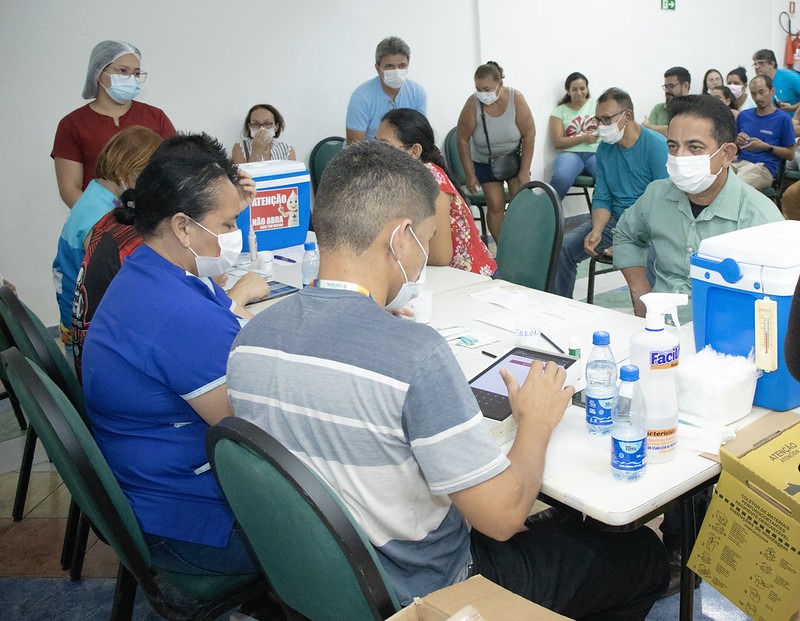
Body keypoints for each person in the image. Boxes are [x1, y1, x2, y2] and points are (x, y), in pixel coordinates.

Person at [227, 141, 668, 619]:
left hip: (323, 580)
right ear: (399, 238)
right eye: (427, 238)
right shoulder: (414, 354)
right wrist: (537, 420)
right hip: (428, 590)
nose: (423, 260)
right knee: (640, 554)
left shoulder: (250, 336)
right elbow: (501, 519)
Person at [81, 146, 269, 576]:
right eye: (227, 224)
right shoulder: (175, 315)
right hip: (192, 522)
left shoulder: (156, 271)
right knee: (357, 526)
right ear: (183, 226)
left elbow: (228, 311)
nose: (232, 234)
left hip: (156, 491)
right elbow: (256, 431)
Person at [71, 132, 264, 381]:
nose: (233, 232)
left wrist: (228, 211)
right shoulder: (146, 249)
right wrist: (241, 291)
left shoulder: (132, 228)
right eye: (228, 224)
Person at [614, 95, 784, 321]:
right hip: (659, 325)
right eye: (673, 146)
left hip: (725, 336)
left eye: (694, 147)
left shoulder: (761, 219)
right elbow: (626, 234)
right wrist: (639, 292)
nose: (679, 157)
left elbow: (780, 299)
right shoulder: (657, 195)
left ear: (727, 155)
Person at [52, 126, 164, 349]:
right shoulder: (101, 218)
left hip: (82, 323)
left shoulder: (95, 194)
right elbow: (122, 284)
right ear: (126, 171)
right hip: (91, 337)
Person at [553, 87, 668, 300]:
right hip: (614, 221)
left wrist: (628, 240)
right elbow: (603, 197)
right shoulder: (605, 149)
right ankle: (561, 308)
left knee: (649, 265)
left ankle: (650, 323)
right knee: (564, 248)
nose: (601, 126)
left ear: (628, 116)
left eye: (607, 119)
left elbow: (663, 204)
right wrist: (597, 230)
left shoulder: (656, 146)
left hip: (651, 226)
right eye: (598, 120)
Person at [51, 40, 176, 208]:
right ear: (98, 72)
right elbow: (69, 189)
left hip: (150, 220)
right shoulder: (73, 124)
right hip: (97, 222)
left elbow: (175, 170)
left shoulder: (155, 117)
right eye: (123, 71)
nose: (131, 78)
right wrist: (105, 221)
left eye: (136, 73)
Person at [376, 109, 496, 275]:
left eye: (385, 146)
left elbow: (440, 257)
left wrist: (391, 252)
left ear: (415, 151)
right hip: (443, 277)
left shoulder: (431, 180)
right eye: (376, 144)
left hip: (471, 280)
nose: (377, 153)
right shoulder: (401, 181)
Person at [456, 61, 535, 243]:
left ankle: (521, 244)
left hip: (513, 160)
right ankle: (503, 247)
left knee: (520, 203)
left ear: (499, 83)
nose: (482, 94)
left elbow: (529, 134)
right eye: (478, 88)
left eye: (486, 88)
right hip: (484, 162)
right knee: (496, 205)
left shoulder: (516, 99)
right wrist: (469, 174)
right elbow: (462, 138)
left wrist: (525, 170)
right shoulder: (472, 103)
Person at [345, 36, 426, 144]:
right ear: (378, 69)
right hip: (368, 155)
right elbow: (355, 148)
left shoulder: (418, 93)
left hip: (404, 155)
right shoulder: (361, 98)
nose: (397, 71)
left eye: (402, 66)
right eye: (390, 67)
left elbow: (419, 136)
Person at [732, 75, 795, 190]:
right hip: (739, 163)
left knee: (735, 187)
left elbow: (790, 154)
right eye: (753, 93)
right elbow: (734, 146)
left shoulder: (783, 119)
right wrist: (736, 141)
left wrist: (766, 147)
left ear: (772, 91)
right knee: (714, 180)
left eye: (762, 92)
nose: (758, 97)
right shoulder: (744, 115)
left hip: (763, 167)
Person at [547, 72, 599, 199]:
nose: (579, 92)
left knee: (608, 178)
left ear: (587, 88)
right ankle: (547, 213)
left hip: (596, 153)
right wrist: (582, 138)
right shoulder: (559, 111)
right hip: (571, 155)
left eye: (582, 88)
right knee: (561, 177)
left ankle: (603, 216)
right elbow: (557, 142)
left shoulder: (598, 105)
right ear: (568, 91)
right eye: (574, 89)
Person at [231, 103, 296, 163]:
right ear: (249, 127)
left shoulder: (287, 150)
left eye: (267, 123)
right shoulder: (239, 147)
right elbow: (242, 175)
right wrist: (255, 153)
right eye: (256, 124)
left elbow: (293, 174)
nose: (261, 128)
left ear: (276, 127)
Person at [643, 66, 691, 137]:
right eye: (665, 87)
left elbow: (681, 133)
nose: (667, 91)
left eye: (671, 86)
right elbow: (649, 135)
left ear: (685, 86)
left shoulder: (696, 108)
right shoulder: (658, 109)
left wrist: (648, 127)